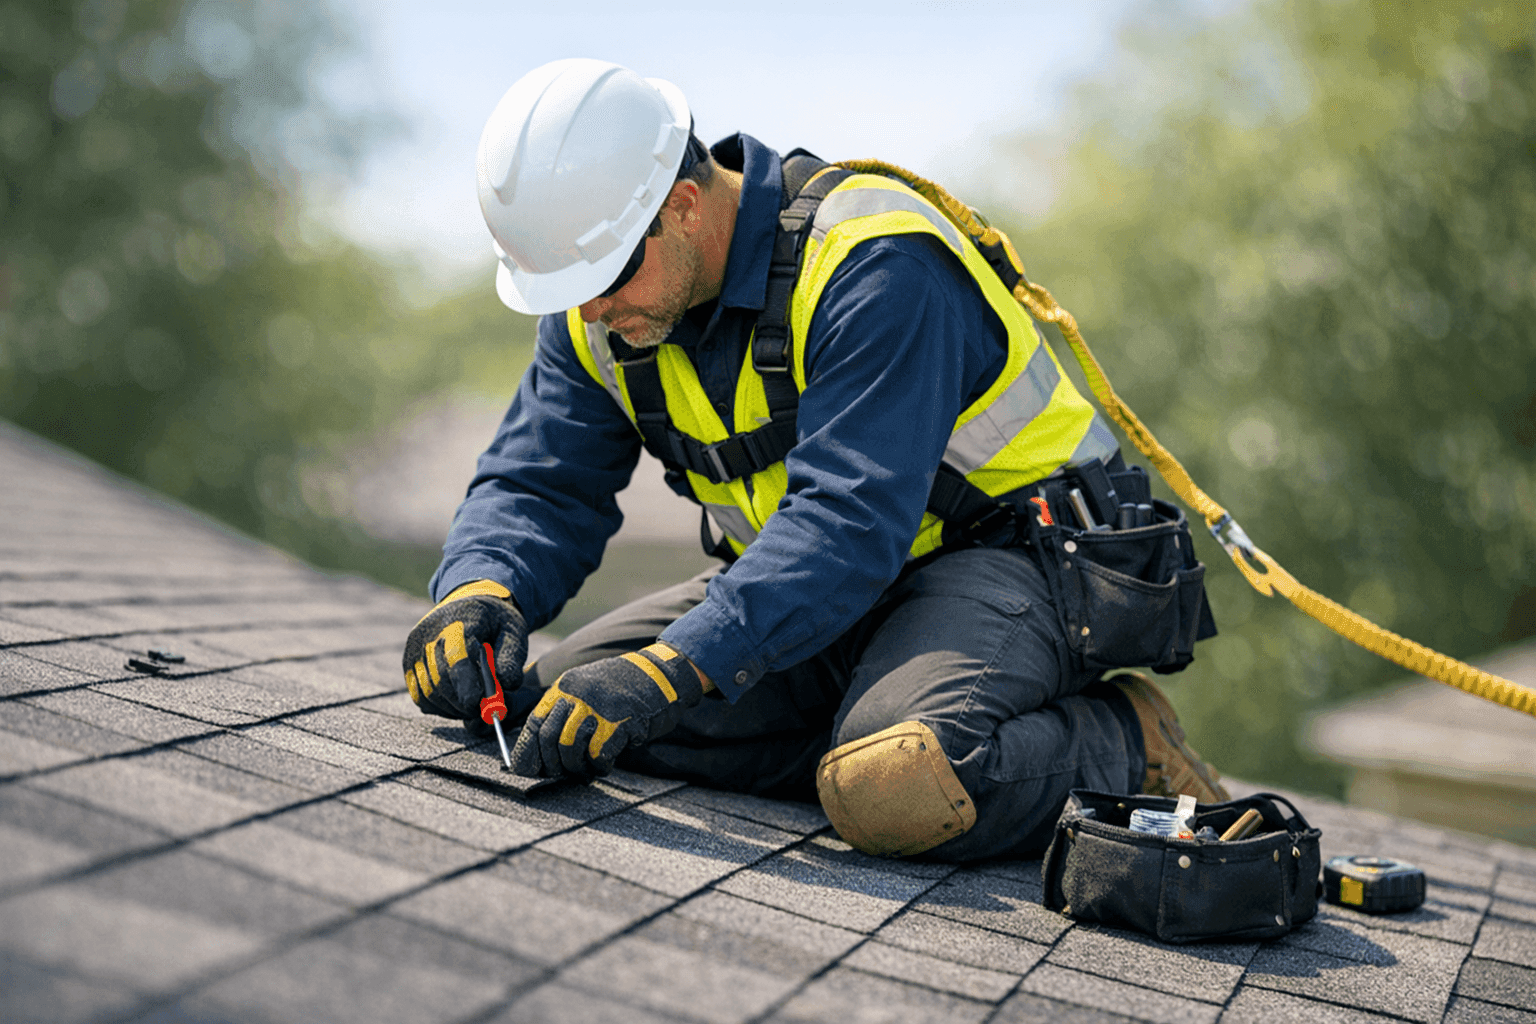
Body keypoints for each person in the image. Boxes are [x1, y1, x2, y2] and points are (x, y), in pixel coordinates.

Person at [403, 58, 1227, 861]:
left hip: (1011, 560)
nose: (590, 307)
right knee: (561, 714)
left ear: (685, 204)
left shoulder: (873, 262)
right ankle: (874, 732)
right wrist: (481, 587)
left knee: (895, 786)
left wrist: (678, 665)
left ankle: (1121, 739)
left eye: (607, 274)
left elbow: (848, 520)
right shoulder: (601, 315)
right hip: (815, 594)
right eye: (563, 287)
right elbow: (539, 482)